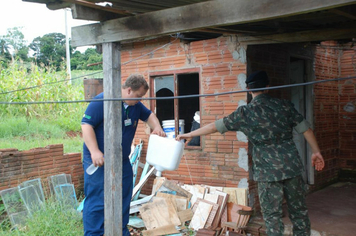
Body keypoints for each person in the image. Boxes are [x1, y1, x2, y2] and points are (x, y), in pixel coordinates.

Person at [176, 71, 325, 236]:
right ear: (267, 87)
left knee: (272, 217)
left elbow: (214, 127)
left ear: (248, 89)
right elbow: (306, 130)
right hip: (292, 167)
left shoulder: (244, 113)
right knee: (299, 212)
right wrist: (316, 152)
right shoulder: (285, 106)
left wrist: (189, 134)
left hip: (267, 172)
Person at [81, 74, 166, 236]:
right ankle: (94, 233)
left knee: (123, 196)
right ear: (128, 90)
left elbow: (149, 115)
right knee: (98, 198)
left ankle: (120, 231)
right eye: (138, 96)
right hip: (99, 160)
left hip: (121, 159)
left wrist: (157, 128)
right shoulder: (102, 101)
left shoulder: (135, 105)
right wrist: (94, 151)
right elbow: (86, 125)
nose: (139, 100)